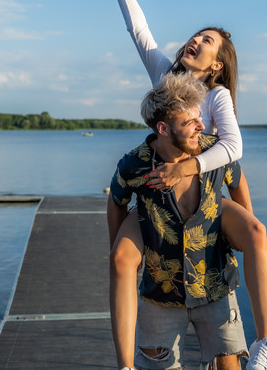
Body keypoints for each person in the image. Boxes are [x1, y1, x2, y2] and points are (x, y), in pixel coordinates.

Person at [106, 0, 267, 370]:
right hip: (161, 201)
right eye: (196, 35)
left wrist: (185, 167)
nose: (195, 41)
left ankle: (266, 343)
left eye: (207, 41)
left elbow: (233, 151)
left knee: (255, 231)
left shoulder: (216, 97)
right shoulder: (166, 80)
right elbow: (139, 31)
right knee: (123, 258)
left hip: (203, 198)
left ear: (216, 64)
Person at [108, 72, 248, 370]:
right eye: (190, 122)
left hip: (215, 288)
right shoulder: (136, 163)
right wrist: (117, 247)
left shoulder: (214, 151)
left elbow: (237, 180)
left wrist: (244, 228)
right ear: (163, 128)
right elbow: (117, 200)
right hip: (160, 295)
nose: (201, 125)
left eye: (200, 117)